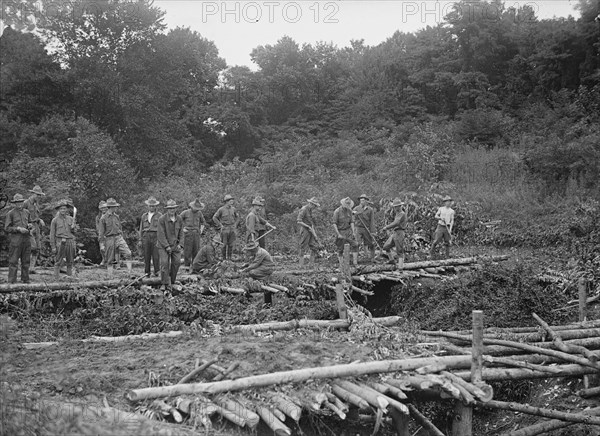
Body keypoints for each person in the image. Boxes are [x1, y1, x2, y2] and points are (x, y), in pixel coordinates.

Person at [98, 198, 133, 276]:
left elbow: (120, 228)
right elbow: (101, 233)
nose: (116, 208)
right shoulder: (103, 218)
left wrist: (121, 237)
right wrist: (101, 244)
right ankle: (110, 276)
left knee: (128, 253)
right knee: (109, 259)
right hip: (109, 238)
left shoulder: (116, 217)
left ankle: (130, 273)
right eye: (114, 207)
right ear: (110, 207)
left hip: (118, 237)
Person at [5, 194, 32, 284]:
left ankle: (25, 279)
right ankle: (12, 281)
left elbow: (30, 223)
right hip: (16, 241)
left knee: (26, 261)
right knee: (13, 261)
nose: (19, 204)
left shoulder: (27, 212)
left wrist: (30, 226)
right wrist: (18, 229)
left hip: (26, 240)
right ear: (14, 203)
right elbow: (7, 228)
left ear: (23, 202)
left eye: (20, 202)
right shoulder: (11, 213)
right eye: (17, 202)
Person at [157, 199, 184, 291]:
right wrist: (166, 246)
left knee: (177, 262)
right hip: (163, 245)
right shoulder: (162, 219)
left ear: (175, 209)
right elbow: (161, 234)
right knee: (164, 263)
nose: (172, 210)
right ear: (167, 209)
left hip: (175, 245)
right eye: (170, 208)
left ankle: (172, 281)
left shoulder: (179, 218)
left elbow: (181, 233)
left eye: (173, 208)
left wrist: (181, 244)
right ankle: (164, 283)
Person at [50, 199, 76, 279]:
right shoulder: (55, 220)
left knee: (70, 261)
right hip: (60, 241)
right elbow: (52, 234)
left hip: (70, 241)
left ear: (67, 209)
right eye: (61, 209)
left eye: (64, 209)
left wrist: (73, 228)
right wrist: (53, 246)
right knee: (58, 261)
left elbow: (74, 232)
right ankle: (56, 278)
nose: (63, 210)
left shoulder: (71, 219)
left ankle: (69, 278)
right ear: (58, 210)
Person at [180, 198, 207, 272]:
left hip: (196, 234)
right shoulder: (185, 213)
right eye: (196, 208)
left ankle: (194, 267)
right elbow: (178, 220)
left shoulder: (199, 213)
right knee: (187, 251)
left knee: (196, 250)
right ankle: (187, 268)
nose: (197, 209)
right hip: (188, 234)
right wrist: (182, 229)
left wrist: (201, 230)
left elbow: (203, 222)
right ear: (192, 207)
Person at [23, 185, 45, 273]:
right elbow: (20, 215)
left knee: (38, 248)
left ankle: (31, 268)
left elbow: (36, 216)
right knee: (31, 247)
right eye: (37, 195)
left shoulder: (36, 204)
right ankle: (24, 266)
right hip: (29, 227)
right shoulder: (26, 203)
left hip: (36, 226)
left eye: (40, 195)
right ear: (33, 194)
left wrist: (40, 220)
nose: (39, 197)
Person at [382, 198, 407, 268]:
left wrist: (387, 227)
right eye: (395, 206)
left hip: (400, 232)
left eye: (397, 206)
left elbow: (396, 223)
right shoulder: (397, 213)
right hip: (395, 232)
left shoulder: (402, 214)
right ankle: (391, 260)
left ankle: (400, 267)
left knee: (399, 251)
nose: (395, 208)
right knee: (386, 246)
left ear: (400, 206)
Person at [333, 197, 359, 266]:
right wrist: (338, 234)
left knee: (355, 244)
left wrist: (353, 232)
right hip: (341, 231)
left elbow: (351, 222)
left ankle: (355, 263)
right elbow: (334, 223)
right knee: (340, 249)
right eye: (346, 204)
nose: (347, 206)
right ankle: (341, 264)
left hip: (348, 231)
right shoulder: (337, 211)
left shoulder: (349, 211)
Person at [212, 194, 239, 260]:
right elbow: (214, 218)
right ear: (226, 201)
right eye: (230, 200)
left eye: (232, 200)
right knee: (223, 245)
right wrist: (220, 225)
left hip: (232, 228)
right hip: (225, 229)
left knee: (231, 244)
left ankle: (229, 258)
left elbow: (237, 217)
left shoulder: (233, 209)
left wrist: (235, 224)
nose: (232, 201)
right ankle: (224, 259)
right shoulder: (221, 209)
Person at [139, 196, 161, 277]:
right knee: (146, 255)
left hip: (155, 236)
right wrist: (140, 239)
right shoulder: (144, 216)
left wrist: (160, 239)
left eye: (153, 206)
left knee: (156, 255)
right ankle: (147, 272)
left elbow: (161, 229)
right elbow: (141, 228)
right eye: (150, 206)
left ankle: (157, 271)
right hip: (146, 236)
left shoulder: (159, 216)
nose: (152, 207)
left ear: (156, 206)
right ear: (147, 206)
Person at [297, 197, 321, 267]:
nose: (315, 207)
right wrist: (307, 226)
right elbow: (299, 221)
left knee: (313, 246)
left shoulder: (310, 210)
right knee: (303, 247)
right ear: (311, 204)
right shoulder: (304, 209)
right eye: (314, 205)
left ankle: (311, 264)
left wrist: (313, 231)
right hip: (305, 230)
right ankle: (301, 265)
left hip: (310, 230)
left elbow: (311, 222)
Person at [353, 194, 376, 262]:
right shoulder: (356, 208)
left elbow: (372, 221)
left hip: (366, 228)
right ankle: (355, 260)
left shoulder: (370, 210)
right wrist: (354, 214)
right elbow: (352, 219)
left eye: (363, 200)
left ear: (366, 201)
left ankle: (372, 258)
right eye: (361, 200)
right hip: (358, 228)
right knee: (357, 243)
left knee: (371, 244)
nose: (361, 202)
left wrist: (372, 231)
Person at [96, 201, 108, 267]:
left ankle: (109, 261)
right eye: (102, 208)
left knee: (109, 249)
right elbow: (97, 226)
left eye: (105, 207)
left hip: (108, 234)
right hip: (101, 235)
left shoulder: (109, 215)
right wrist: (100, 234)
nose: (104, 209)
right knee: (102, 249)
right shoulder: (98, 217)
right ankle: (104, 258)